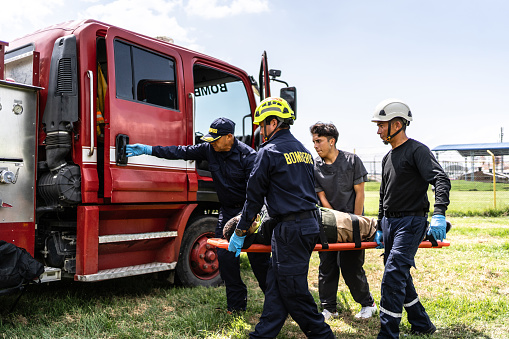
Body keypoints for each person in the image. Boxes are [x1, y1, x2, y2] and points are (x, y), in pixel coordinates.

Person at [125, 117, 270, 313]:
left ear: (229, 137)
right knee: (225, 258)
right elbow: (180, 152)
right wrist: (148, 150)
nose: (212, 143)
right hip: (227, 210)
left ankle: (274, 303)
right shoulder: (210, 149)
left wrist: (245, 224)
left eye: (216, 139)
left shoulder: (248, 157)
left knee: (258, 259)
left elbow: (256, 195)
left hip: (249, 212)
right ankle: (236, 306)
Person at [228, 97, 335, 339]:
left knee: (294, 293)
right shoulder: (305, 152)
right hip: (308, 226)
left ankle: (324, 336)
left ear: (273, 122)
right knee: (277, 287)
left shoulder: (269, 152)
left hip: (290, 230)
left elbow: (254, 197)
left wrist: (240, 231)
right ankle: (262, 335)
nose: (260, 131)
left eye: (262, 125)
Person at [371, 99, 451, 338]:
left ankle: (388, 333)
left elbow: (441, 180)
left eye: (381, 125)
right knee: (399, 272)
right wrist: (379, 225)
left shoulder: (418, 150)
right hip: (390, 224)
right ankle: (421, 323)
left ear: (397, 124)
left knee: (393, 274)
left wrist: (438, 214)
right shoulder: (387, 158)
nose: (378, 130)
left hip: (411, 222)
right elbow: (383, 195)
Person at [310, 122, 378, 320]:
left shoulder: (352, 161)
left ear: (332, 141)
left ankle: (368, 304)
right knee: (327, 266)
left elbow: (360, 194)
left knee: (351, 267)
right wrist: (334, 222)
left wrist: (355, 223)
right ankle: (329, 308)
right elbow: (321, 197)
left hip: (353, 225)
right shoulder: (314, 166)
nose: (316, 145)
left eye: (319, 141)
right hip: (328, 225)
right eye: (314, 141)